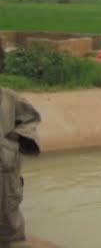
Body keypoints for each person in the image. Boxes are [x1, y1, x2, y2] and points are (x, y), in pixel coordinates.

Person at [1, 88, 41, 248]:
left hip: (6, 171)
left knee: (9, 218)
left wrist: (14, 138)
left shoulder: (9, 98)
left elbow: (31, 119)